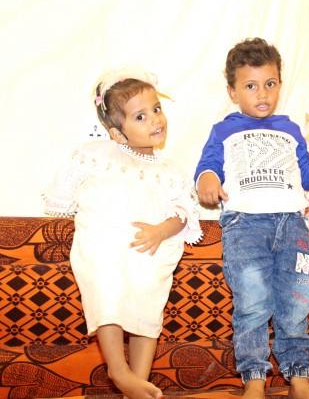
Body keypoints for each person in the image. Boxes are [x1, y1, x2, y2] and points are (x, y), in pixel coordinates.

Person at [194, 37, 309, 399]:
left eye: (270, 83)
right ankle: (254, 380)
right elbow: (207, 167)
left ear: (279, 84)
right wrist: (208, 180)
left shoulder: (289, 129)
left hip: (292, 226)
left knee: (298, 300)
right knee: (252, 303)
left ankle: (299, 380)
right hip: (245, 226)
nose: (262, 94)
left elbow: (305, 176)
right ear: (233, 92)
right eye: (250, 86)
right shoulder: (224, 130)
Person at [43, 69, 202, 399]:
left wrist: (161, 230)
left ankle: (137, 383)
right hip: (108, 248)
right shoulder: (98, 156)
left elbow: (185, 213)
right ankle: (118, 370)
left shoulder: (170, 170)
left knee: (149, 297)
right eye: (140, 116)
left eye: (156, 109)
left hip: (148, 251)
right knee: (108, 289)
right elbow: (65, 196)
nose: (155, 119)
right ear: (117, 133)